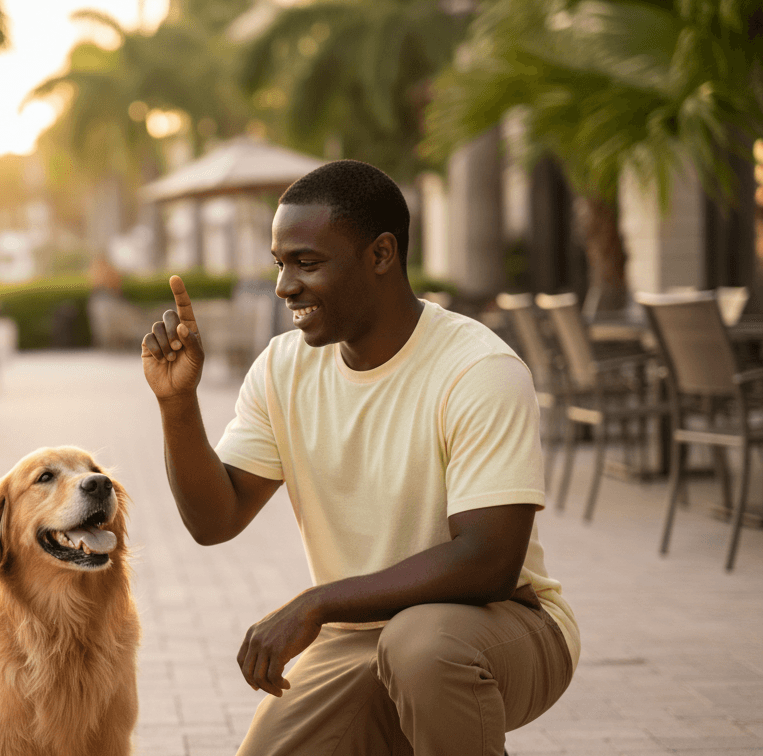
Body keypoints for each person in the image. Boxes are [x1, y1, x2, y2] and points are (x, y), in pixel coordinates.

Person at [140, 160, 577, 756]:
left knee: (421, 649)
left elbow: (489, 561)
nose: (284, 286)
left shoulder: (478, 370)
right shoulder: (282, 367)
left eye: (307, 262)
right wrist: (177, 404)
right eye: (280, 263)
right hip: (358, 638)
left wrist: (318, 602)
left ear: (381, 255)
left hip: (501, 626)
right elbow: (214, 521)